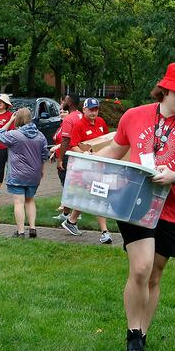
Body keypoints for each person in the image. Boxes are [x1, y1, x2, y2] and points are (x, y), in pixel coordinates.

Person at [97, 62, 175, 351]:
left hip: (172, 208)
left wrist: (174, 176)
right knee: (140, 268)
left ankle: (144, 334)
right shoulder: (134, 115)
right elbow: (114, 151)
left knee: (154, 276)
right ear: (164, 88)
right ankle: (132, 333)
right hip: (135, 201)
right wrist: (78, 159)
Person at [60, 98, 113, 243]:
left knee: (89, 195)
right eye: (91, 109)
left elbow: (107, 140)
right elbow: (73, 145)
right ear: (84, 110)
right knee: (98, 195)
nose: (94, 112)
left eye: (96, 109)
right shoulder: (79, 125)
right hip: (87, 167)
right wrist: (85, 154)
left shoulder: (101, 122)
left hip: (101, 165)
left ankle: (71, 221)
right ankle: (105, 233)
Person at [0, 108, 49, 238]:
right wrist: (41, 170)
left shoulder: (14, 135)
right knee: (30, 200)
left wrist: (9, 120)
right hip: (34, 174)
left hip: (17, 175)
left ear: (18, 119)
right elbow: (44, 155)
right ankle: (33, 228)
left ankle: (20, 232)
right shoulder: (40, 136)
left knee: (19, 202)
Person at [52, 94, 82, 220]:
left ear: (69, 103)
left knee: (68, 185)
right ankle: (67, 213)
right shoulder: (81, 115)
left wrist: (60, 159)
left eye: (65, 100)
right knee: (74, 185)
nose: (62, 102)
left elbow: (65, 140)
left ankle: (71, 215)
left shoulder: (69, 119)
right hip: (79, 154)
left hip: (68, 156)